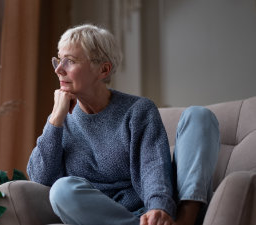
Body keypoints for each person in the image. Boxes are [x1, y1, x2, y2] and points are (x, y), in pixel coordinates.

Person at [27, 24, 220, 225]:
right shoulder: (60, 118)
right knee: (61, 190)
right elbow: (40, 179)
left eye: (70, 61)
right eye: (58, 60)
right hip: (105, 218)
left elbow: (153, 165)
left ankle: (184, 219)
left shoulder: (138, 110)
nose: (58, 69)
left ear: (103, 69)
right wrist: (55, 120)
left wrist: (158, 208)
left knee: (199, 116)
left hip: (147, 213)